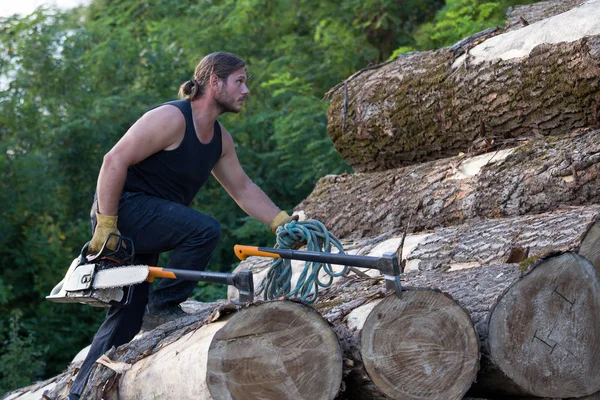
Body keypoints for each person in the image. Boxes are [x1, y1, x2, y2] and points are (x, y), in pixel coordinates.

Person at [67, 51, 295, 399]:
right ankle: (163, 307)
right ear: (214, 82)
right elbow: (113, 160)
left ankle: (77, 393)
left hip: (150, 220)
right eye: (240, 81)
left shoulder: (220, 141)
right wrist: (106, 225)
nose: (246, 90)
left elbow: (243, 189)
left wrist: (282, 222)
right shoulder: (172, 119)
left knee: (127, 316)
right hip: (121, 212)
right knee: (203, 229)